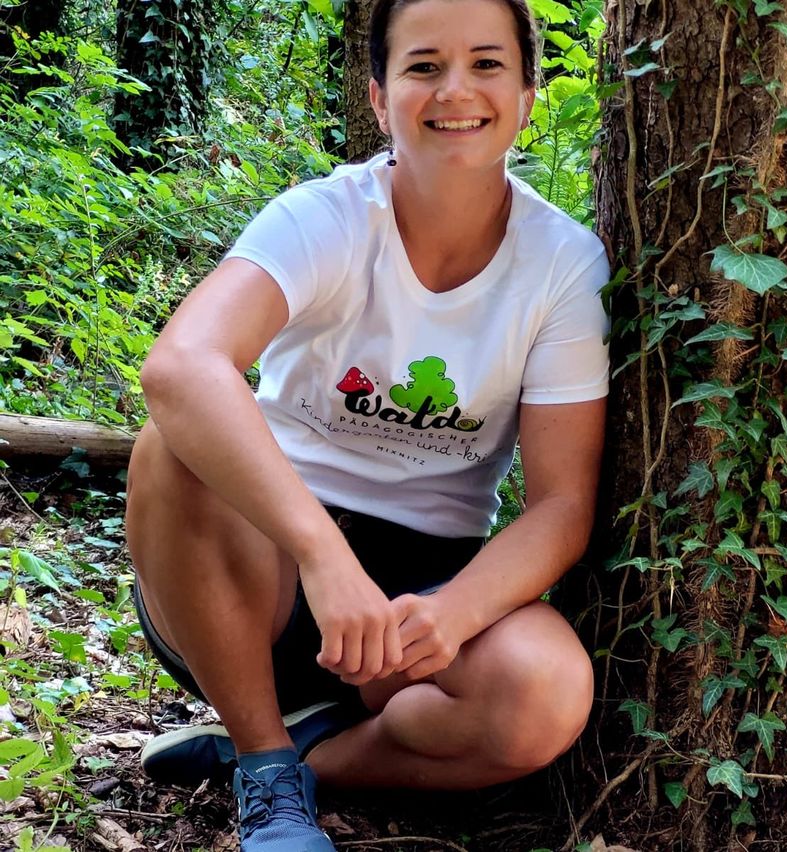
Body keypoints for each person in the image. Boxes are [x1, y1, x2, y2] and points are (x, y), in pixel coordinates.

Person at [125, 0, 609, 848]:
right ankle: (264, 763)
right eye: (424, 66)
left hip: (422, 594)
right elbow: (180, 365)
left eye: (488, 63)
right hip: (255, 570)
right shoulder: (328, 217)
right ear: (381, 98)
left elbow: (561, 506)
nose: (456, 89)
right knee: (172, 444)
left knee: (545, 694)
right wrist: (322, 554)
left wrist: (455, 614)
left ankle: (301, 761)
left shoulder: (563, 266)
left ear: (530, 92)